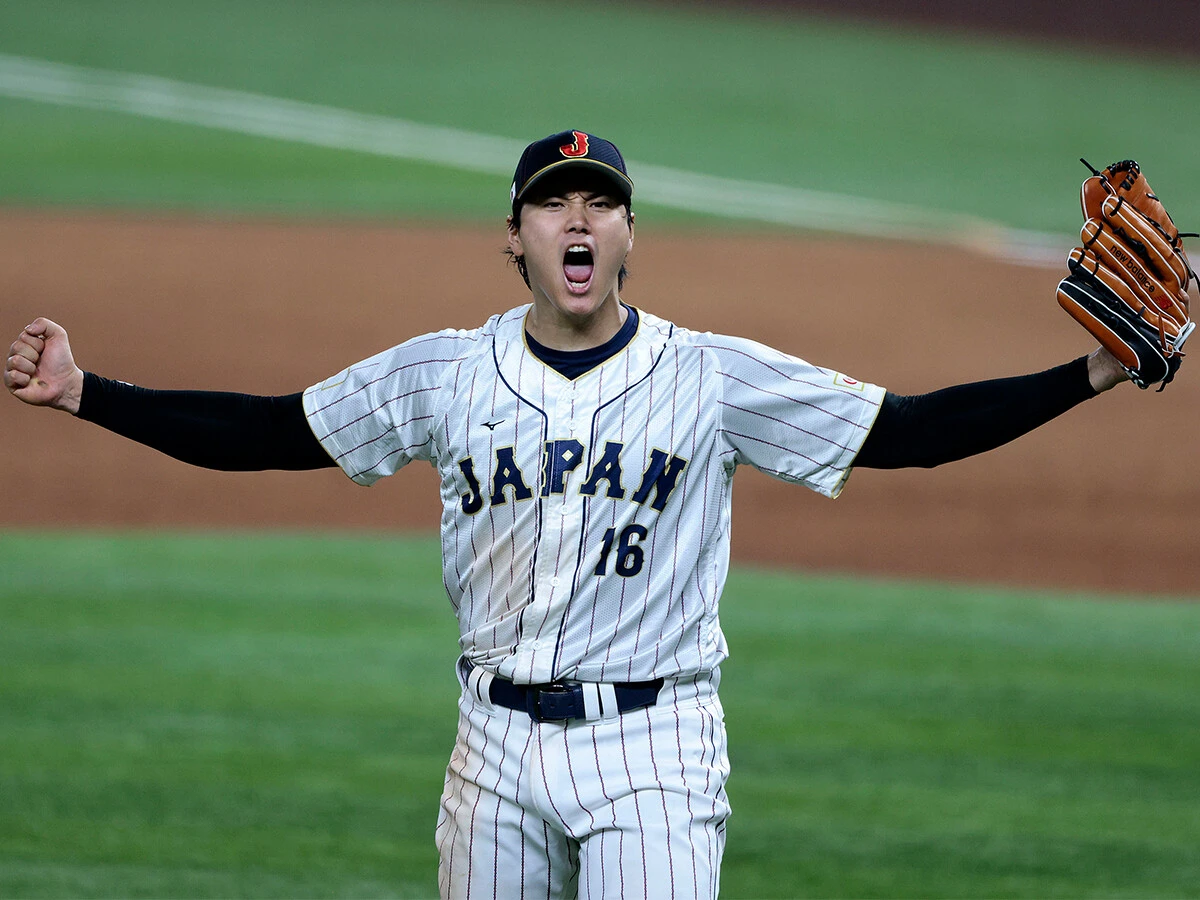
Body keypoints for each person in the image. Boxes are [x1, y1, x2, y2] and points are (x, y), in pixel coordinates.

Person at [5, 130, 1131, 899]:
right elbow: (268, 432)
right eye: (553, 203)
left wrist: (1091, 371)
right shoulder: (443, 373)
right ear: (517, 237)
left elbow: (911, 430)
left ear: (630, 237)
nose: (577, 220)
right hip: (489, 747)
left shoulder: (714, 375)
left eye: (601, 203)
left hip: (655, 745)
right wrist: (89, 393)